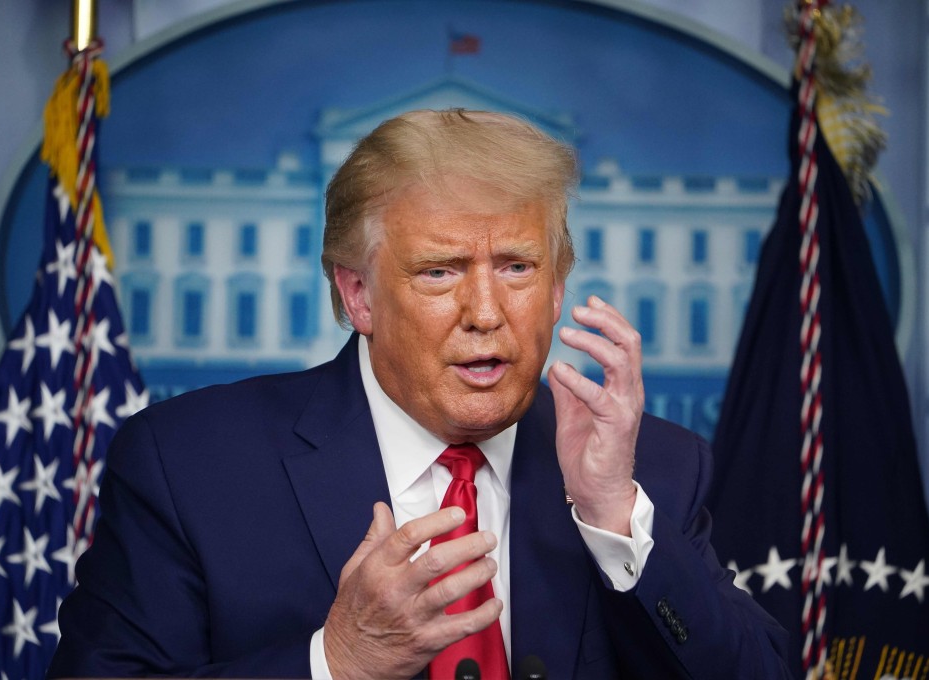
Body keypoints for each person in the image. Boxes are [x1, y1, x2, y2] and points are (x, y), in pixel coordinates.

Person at [49, 109, 790, 679]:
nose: (487, 312)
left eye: (517, 267)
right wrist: (336, 662)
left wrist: (613, 518)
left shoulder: (648, 469)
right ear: (358, 295)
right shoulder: (191, 465)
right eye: (439, 271)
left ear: (559, 286)